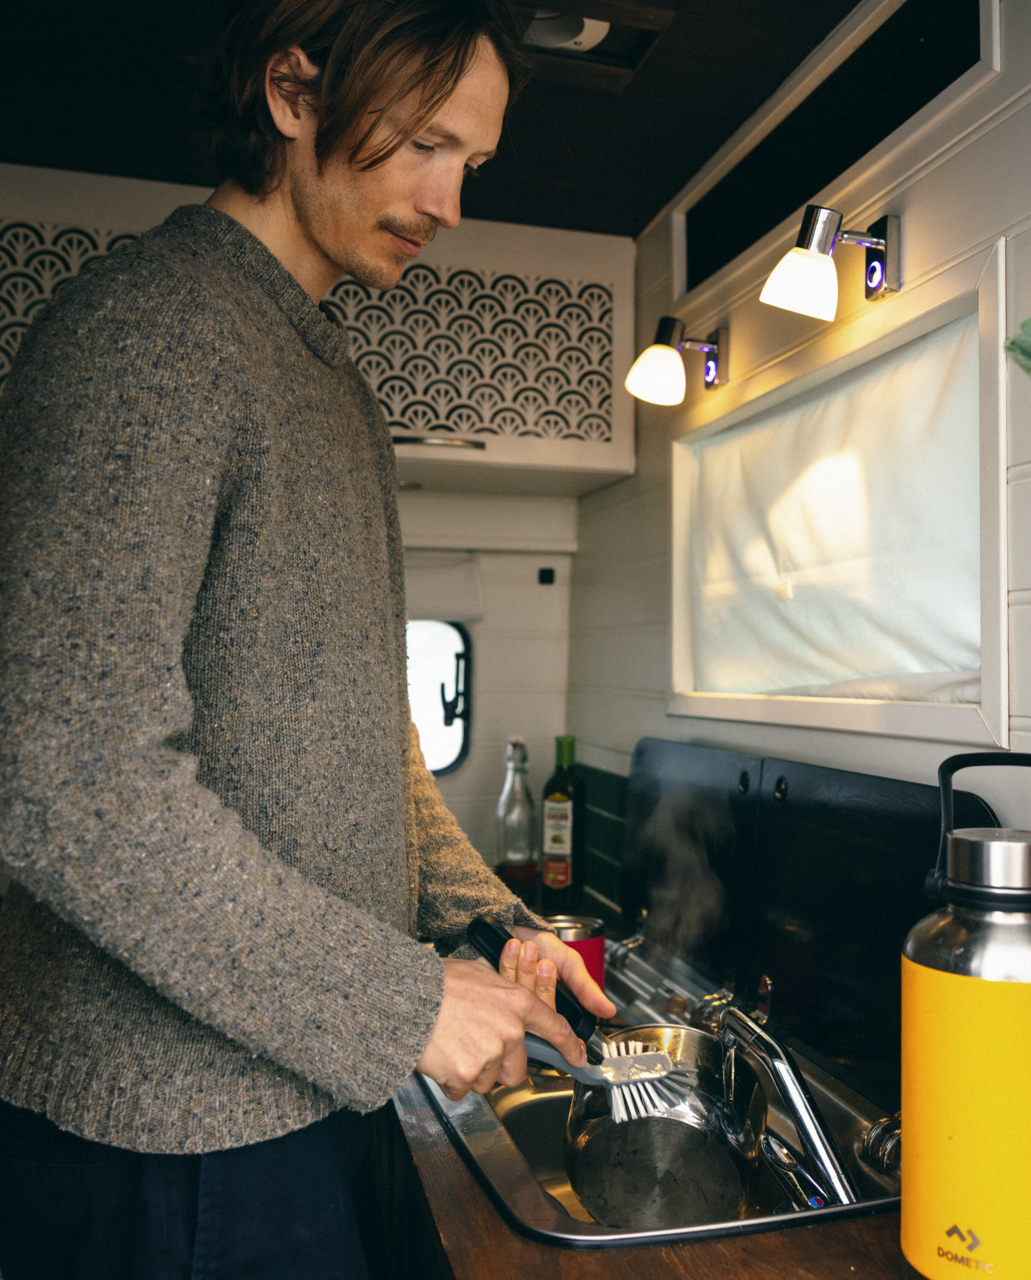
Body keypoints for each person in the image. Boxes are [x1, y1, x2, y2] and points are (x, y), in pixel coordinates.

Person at [0, 2, 613, 1276]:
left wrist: (493, 922)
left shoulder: (327, 381)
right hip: (168, 1134)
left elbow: (369, 747)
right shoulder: (150, 331)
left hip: (304, 1083)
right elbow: (66, 775)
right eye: (425, 144)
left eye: (472, 163)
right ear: (291, 93)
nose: (449, 202)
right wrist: (401, 1000)